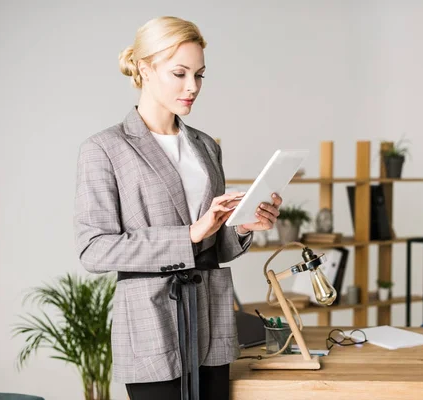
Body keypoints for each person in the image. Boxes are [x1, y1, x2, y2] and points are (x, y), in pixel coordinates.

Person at [73, 16, 282, 400]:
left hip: (211, 318)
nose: (193, 87)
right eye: (180, 73)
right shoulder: (104, 148)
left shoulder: (206, 146)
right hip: (152, 321)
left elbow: (212, 246)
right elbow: (94, 248)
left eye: (200, 75)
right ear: (144, 68)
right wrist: (188, 234)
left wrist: (242, 226)